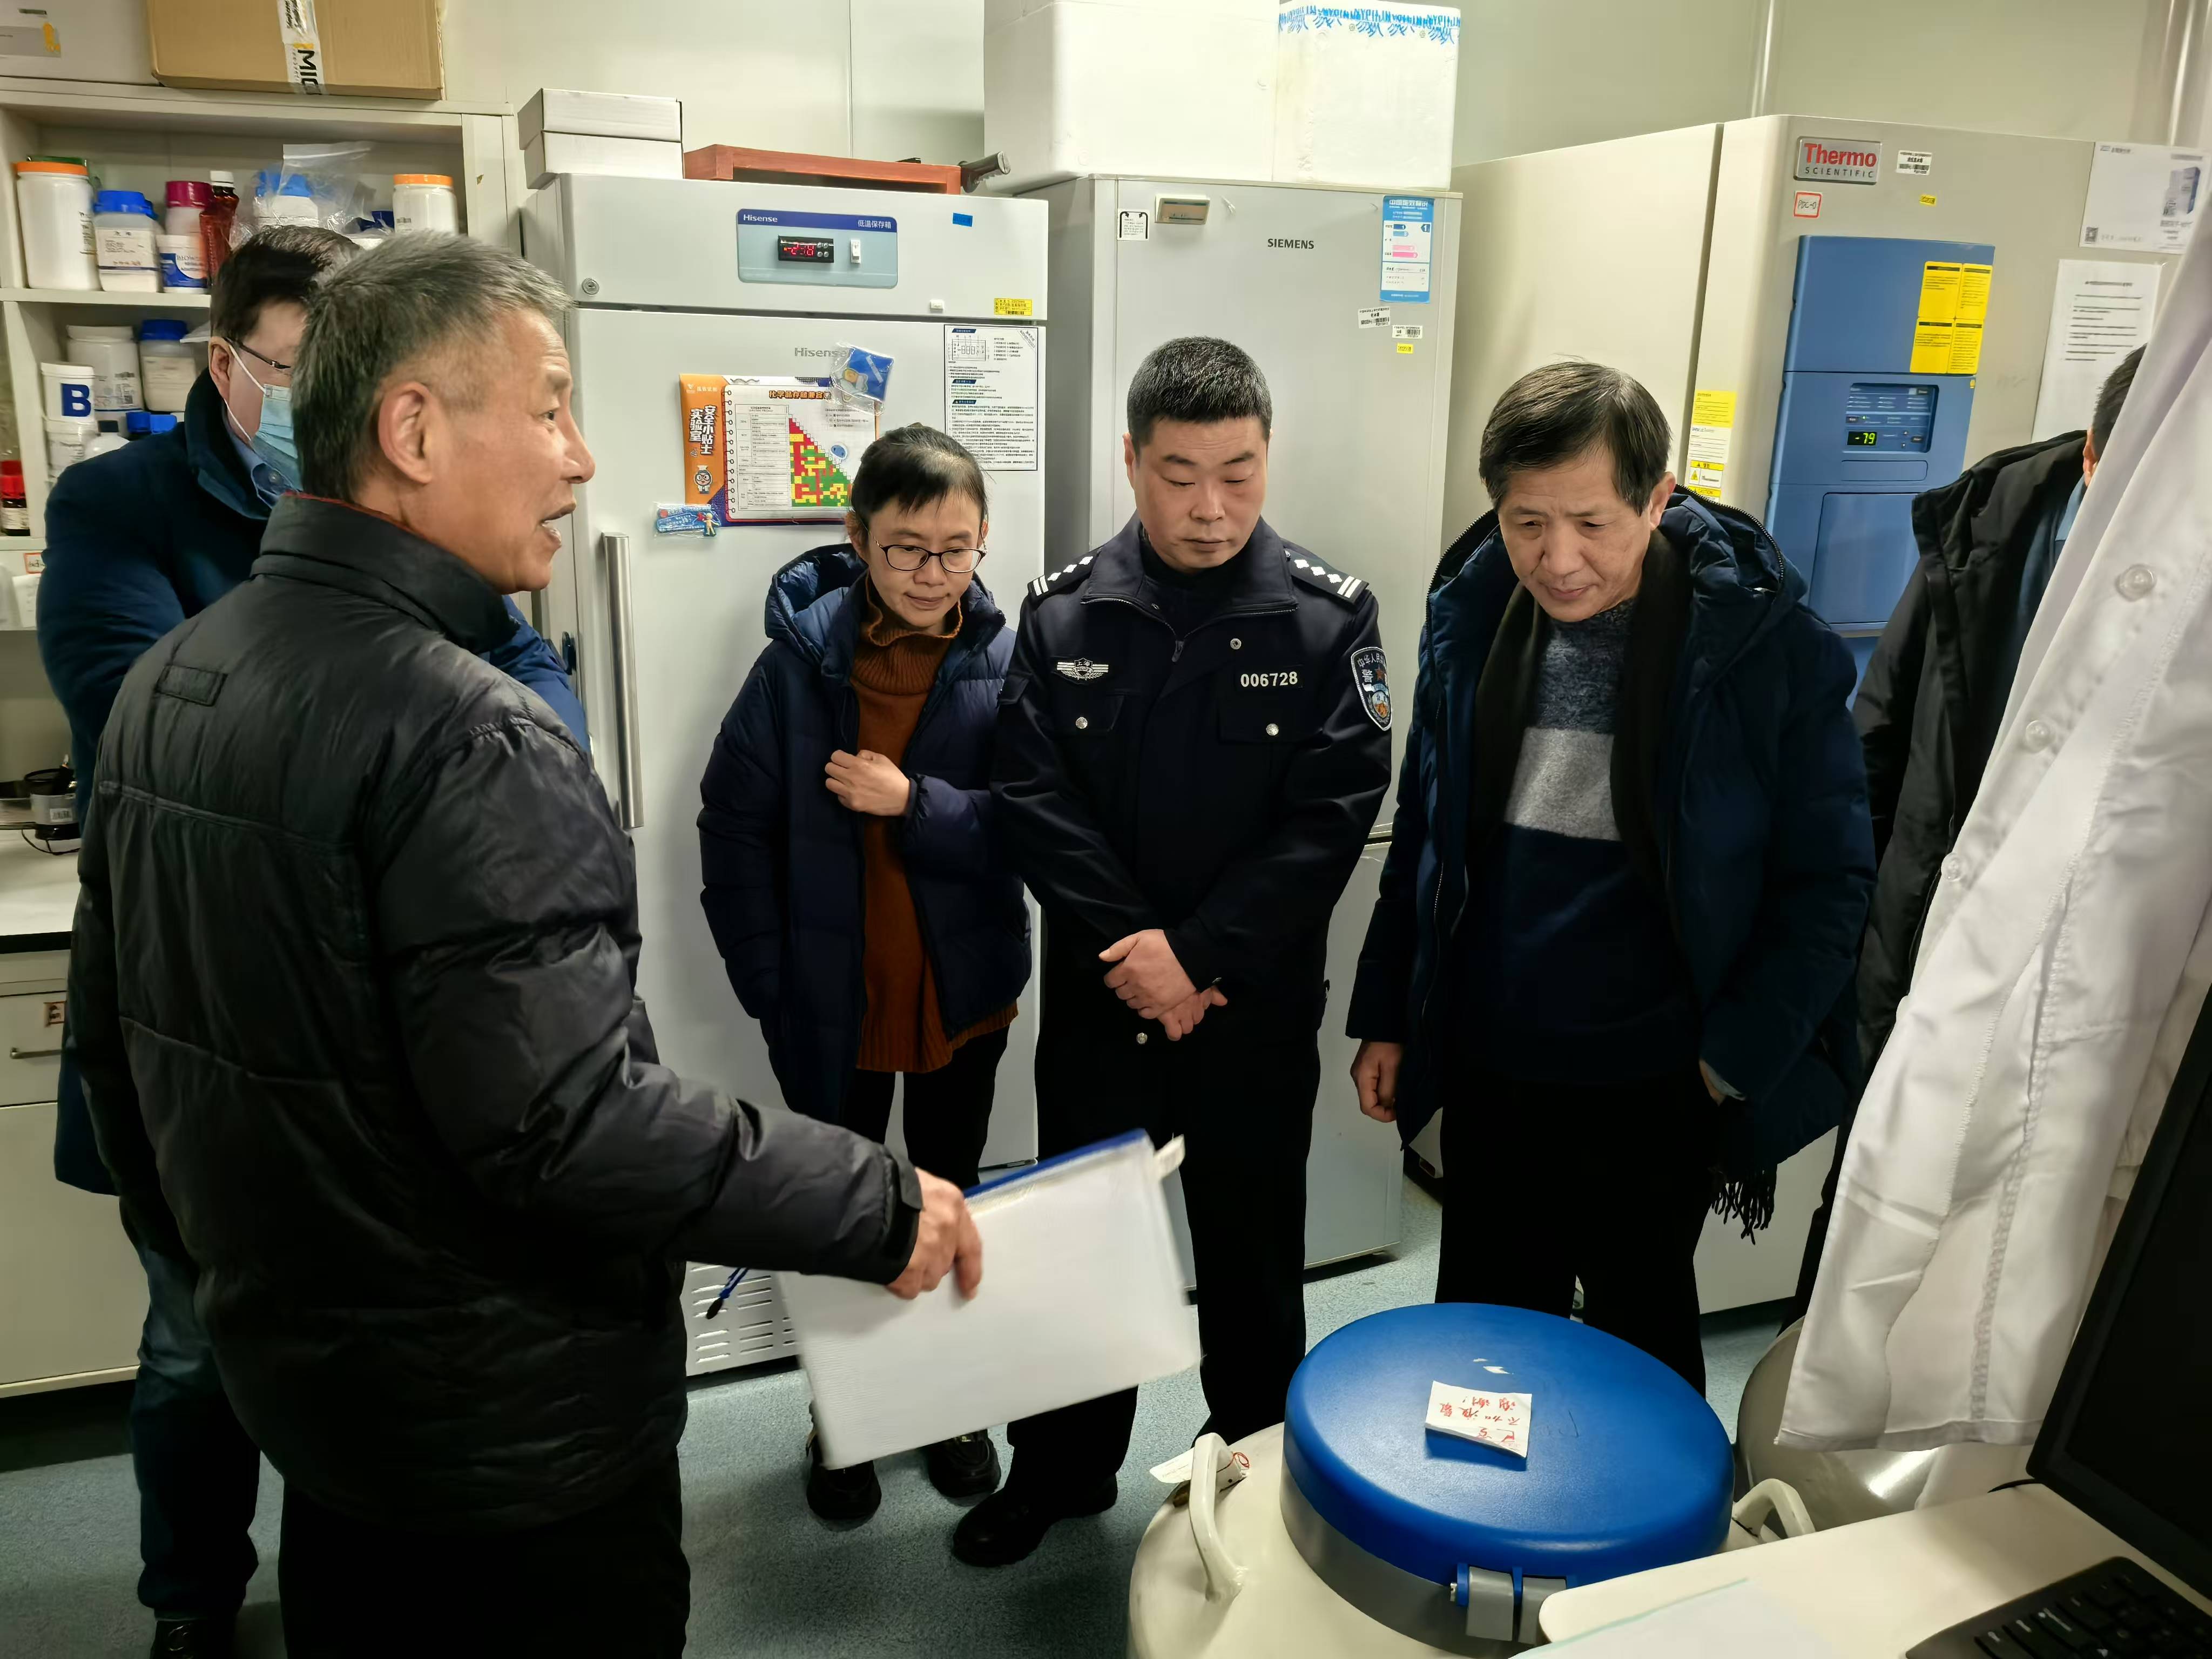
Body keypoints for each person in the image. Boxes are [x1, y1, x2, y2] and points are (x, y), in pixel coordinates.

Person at [66, 234, 982, 1659]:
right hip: (516, 1444)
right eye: (550, 406)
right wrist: (874, 1204)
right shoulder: (467, 729)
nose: (580, 458)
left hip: (326, 1421)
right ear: (414, 431)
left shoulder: (177, 680)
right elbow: (572, 1128)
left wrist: (244, 1305)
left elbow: (120, 1054)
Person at [35, 226, 585, 1659]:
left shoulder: (430, 566)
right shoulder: (122, 504)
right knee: (196, 1345)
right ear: (228, 363)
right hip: (209, 993)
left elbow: (527, 673)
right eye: (292, 365)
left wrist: (500, 766)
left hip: (361, 1017)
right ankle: (193, 1602)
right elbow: (136, 702)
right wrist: (371, 706)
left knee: (376, 1379)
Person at [1347, 361, 1873, 1390]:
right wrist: (1391, 1014)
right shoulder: (1471, 621)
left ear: (1657, 498)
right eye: (1528, 523)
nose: (1559, 560)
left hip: (1660, 1078)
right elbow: (1426, 836)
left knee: (1640, 1357)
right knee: (1485, 1352)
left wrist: (1728, 1064)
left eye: (1592, 523)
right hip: (1496, 1060)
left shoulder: (1765, 652)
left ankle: (1649, 1509)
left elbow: (1829, 883)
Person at [966, 336, 1392, 1567]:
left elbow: (1331, 815)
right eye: (1179, 475)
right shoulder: (1063, 611)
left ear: (1267, 458)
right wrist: (1140, 956)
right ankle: (1060, 1469)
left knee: (1252, 1250)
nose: (1210, 508)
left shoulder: (1327, 616)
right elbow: (1034, 798)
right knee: (1084, 1249)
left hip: (1248, 1004)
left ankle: (1250, 1471)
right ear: (1130, 461)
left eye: (1238, 474)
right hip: (1104, 1005)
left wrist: (1198, 958)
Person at [698, 423, 1028, 1522]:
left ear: (982, 541)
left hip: (959, 997)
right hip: (831, 1004)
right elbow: (730, 828)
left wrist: (913, 803)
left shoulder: (1006, 662)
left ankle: (947, 1405)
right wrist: (768, 985)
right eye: (906, 550)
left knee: (950, 1199)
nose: (933, 574)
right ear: (857, 537)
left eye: (955, 549)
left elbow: (1039, 825)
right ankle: (843, 1414)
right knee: (838, 1218)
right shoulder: (796, 668)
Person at [1789, 346, 2145, 1315]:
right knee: (1861, 1218)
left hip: (2089, 984)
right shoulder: (1987, 529)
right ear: (2095, 458)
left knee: (2024, 1263)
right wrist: (1850, 944)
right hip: (1923, 940)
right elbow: (1877, 740)